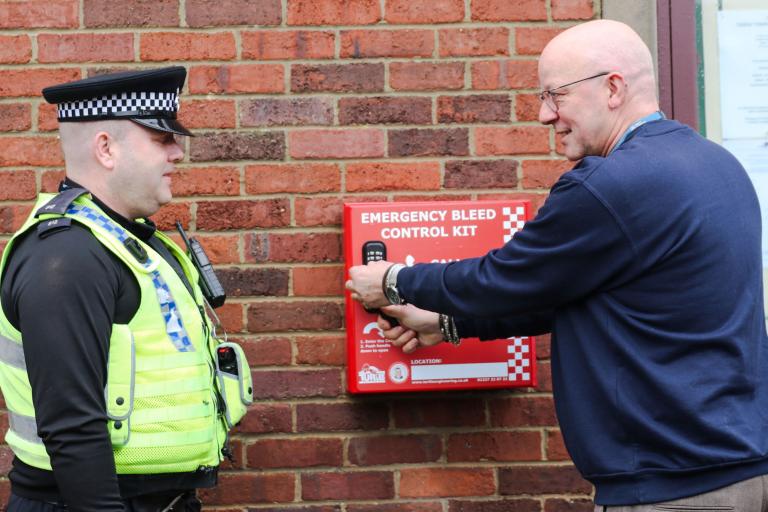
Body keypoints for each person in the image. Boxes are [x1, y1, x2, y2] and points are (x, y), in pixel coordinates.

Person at [346, 19, 768, 510]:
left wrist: (394, 281)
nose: (546, 115)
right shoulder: (719, 165)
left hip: (669, 486)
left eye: (556, 95)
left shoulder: (609, 186)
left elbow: (502, 279)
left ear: (613, 88)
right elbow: (580, 294)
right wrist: (448, 323)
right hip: (742, 468)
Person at [0, 67, 252, 511]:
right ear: (106, 149)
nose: (178, 153)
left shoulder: (129, 241)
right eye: (161, 139)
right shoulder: (67, 258)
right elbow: (73, 430)